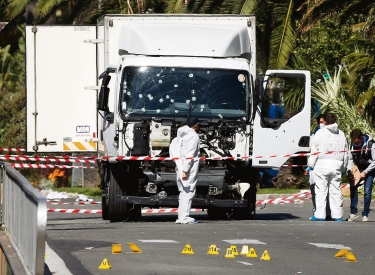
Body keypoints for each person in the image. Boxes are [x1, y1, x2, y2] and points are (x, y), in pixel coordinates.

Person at [307, 113, 348, 221]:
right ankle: (337, 215)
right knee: (336, 191)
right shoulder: (341, 134)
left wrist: (310, 165)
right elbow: (345, 152)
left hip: (322, 165)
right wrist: (343, 167)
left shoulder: (320, 133)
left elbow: (314, 151)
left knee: (321, 191)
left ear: (325, 121)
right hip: (337, 165)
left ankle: (320, 215)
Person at [169, 117, 200, 224]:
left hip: (180, 165)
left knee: (183, 191)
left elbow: (173, 150)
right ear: (196, 125)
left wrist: (181, 167)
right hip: (189, 167)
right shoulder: (193, 136)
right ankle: (183, 217)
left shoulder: (179, 136)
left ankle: (182, 215)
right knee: (189, 190)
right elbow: (190, 154)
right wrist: (185, 170)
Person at [346, 129, 375, 222]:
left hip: (370, 169)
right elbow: (350, 159)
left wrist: (365, 172)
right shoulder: (351, 145)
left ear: (362, 138)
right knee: (353, 188)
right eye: (355, 143)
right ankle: (353, 212)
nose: (356, 145)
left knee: (367, 191)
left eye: (358, 143)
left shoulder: (371, 144)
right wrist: (350, 171)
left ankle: (365, 214)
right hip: (358, 169)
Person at [308, 113, 331, 220]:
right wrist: (310, 165)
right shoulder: (314, 135)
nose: (321, 124)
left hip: (325, 166)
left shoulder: (333, 135)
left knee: (326, 191)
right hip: (314, 167)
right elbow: (312, 150)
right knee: (315, 190)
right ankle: (317, 210)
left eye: (323, 122)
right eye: (320, 122)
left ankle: (327, 212)